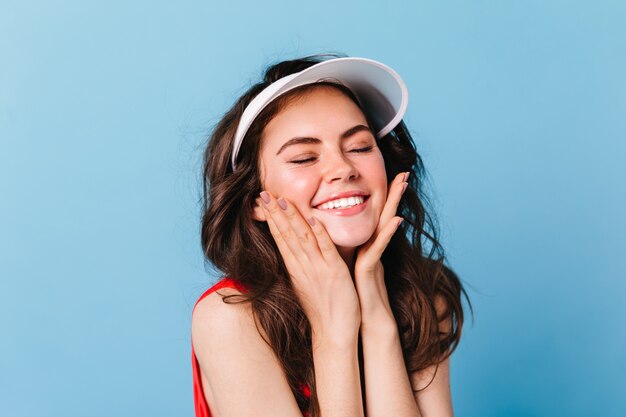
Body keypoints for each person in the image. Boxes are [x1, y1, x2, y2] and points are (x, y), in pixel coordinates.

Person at [191, 53, 472, 417]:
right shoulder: (231, 317)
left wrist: (376, 315)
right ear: (254, 203)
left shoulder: (425, 298)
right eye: (304, 158)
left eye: (360, 147)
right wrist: (333, 328)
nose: (343, 168)